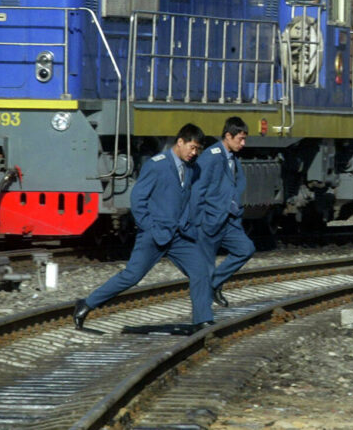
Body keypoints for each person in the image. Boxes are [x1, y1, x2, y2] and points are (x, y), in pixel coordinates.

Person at [74, 123, 214, 329]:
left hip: (179, 235)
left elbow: (186, 198)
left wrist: (188, 223)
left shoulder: (192, 168)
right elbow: (138, 199)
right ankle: (86, 304)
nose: (194, 153)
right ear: (180, 142)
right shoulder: (156, 165)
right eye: (192, 147)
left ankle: (203, 321)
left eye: (198, 149)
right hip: (154, 234)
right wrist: (149, 227)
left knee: (201, 270)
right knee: (131, 276)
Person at [193, 116, 255, 308]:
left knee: (246, 249)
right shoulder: (210, 157)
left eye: (244, 139)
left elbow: (237, 183)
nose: (243, 144)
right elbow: (197, 189)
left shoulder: (233, 157)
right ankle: (203, 314)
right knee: (206, 264)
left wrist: (236, 205)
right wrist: (198, 219)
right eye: (240, 139)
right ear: (228, 136)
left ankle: (214, 284)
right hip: (211, 220)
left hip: (230, 220)